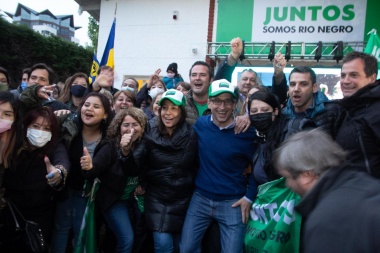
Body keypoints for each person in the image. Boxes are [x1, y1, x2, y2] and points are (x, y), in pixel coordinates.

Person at [273, 129, 380, 253]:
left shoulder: (326, 223)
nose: (287, 184)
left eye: (288, 177)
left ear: (307, 175)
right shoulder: (365, 183)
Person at [180, 79, 257, 253]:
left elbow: (259, 168)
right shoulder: (201, 125)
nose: (222, 107)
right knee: (186, 249)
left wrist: (249, 196)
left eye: (227, 101)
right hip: (200, 198)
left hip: (233, 202)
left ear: (234, 103)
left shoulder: (246, 132)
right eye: (217, 101)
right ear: (209, 103)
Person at [132, 89, 198, 252]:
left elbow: (197, 167)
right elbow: (135, 164)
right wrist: (126, 150)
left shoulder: (192, 135)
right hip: (157, 199)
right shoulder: (149, 131)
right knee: (163, 246)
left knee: (180, 247)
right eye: (164, 108)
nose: (168, 113)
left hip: (183, 201)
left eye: (173, 108)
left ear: (181, 112)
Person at [51, 92, 113, 253]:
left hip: (89, 193)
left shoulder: (109, 138)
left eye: (96, 106)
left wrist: (92, 168)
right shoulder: (68, 127)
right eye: (86, 105)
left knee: (82, 231)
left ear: (105, 114)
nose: (89, 109)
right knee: (61, 228)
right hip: (65, 187)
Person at [0, 107, 69, 252]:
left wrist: (58, 173)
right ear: (26, 127)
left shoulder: (55, 147)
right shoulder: (14, 145)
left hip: (39, 217)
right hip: (9, 212)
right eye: (36, 127)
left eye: (46, 128)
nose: (40, 132)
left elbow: (62, 163)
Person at [79, 108, 144, 253]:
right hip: (115, 201)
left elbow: (147, 170)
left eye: (135, 124)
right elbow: (93, 170)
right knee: (127, 240)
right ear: (118, 127)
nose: (130, 129)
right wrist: (89, 167)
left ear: (143, 127)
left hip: (134, 201)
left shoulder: (145, 146)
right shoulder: (110, 146)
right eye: (126, 125)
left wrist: (143, 183)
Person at [334, 51, 380, 178]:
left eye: (353, 75)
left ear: (371, 78)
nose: (346, 81)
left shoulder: (376, 111)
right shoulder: (346, 110)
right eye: (343, 75)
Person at [282, 66, 344, 140]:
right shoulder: (282, 115)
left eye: (303, 84)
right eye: (292, 84)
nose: (296, 89)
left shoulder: (333, 113)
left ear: (314, 88)